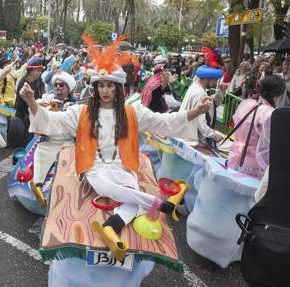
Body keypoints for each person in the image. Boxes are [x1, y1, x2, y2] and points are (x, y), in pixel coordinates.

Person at [19, 36, 212, 260]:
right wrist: (32, 102)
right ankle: (162, 203)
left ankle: (113, 225)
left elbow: (164, 122)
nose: (105, 90)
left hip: (123, 167)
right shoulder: (81, 112)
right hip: (95, 169)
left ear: (118, 88)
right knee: (108, 187)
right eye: (101, 85)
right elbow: (52, 121)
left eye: (110, 85)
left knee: (131, 193)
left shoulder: (133, 111)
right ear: (95, 87)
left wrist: (196, 112)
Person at [30, 71, 77, 205]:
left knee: (68, 159)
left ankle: (65, 194)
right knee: (40, 152)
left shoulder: (75, 105)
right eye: (56, 84)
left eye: (62, 85)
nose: (57, 87)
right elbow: (36, 106)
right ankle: (38, 185)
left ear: (69, 88)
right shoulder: (47, 100)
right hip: (51, 140)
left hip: (67, 141)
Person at [228, 75, 286, 179]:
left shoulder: (246, 104)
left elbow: (235, 121)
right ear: (276, 95)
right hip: (253, 163)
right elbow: (267, 146)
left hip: (234, 155)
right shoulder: (270, 113)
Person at [179, 62, 226, 145]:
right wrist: (214, 135)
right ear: (208, 78)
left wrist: (221, 92)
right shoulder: (200, 93)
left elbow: (212, 103)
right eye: (215, 80)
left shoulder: (195, 86)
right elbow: (201, 124)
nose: (215, 83)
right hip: (191, 141)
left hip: (184, 135)